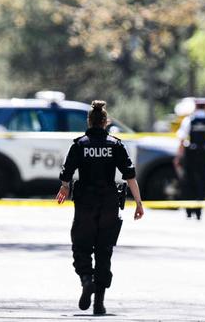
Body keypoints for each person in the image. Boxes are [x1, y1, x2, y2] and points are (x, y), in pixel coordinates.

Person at [56, 100, 144, 315]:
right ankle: (99, 303)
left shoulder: (79, 145)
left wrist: (65, 187)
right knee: (104, 250)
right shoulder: (115, 145)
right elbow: (130, 176)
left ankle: (87, 279)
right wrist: (139, 204)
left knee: (81, 246)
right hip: (108, 204)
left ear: (89, 121)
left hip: (85, 203)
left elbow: (67, 174)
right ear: (106, 122)